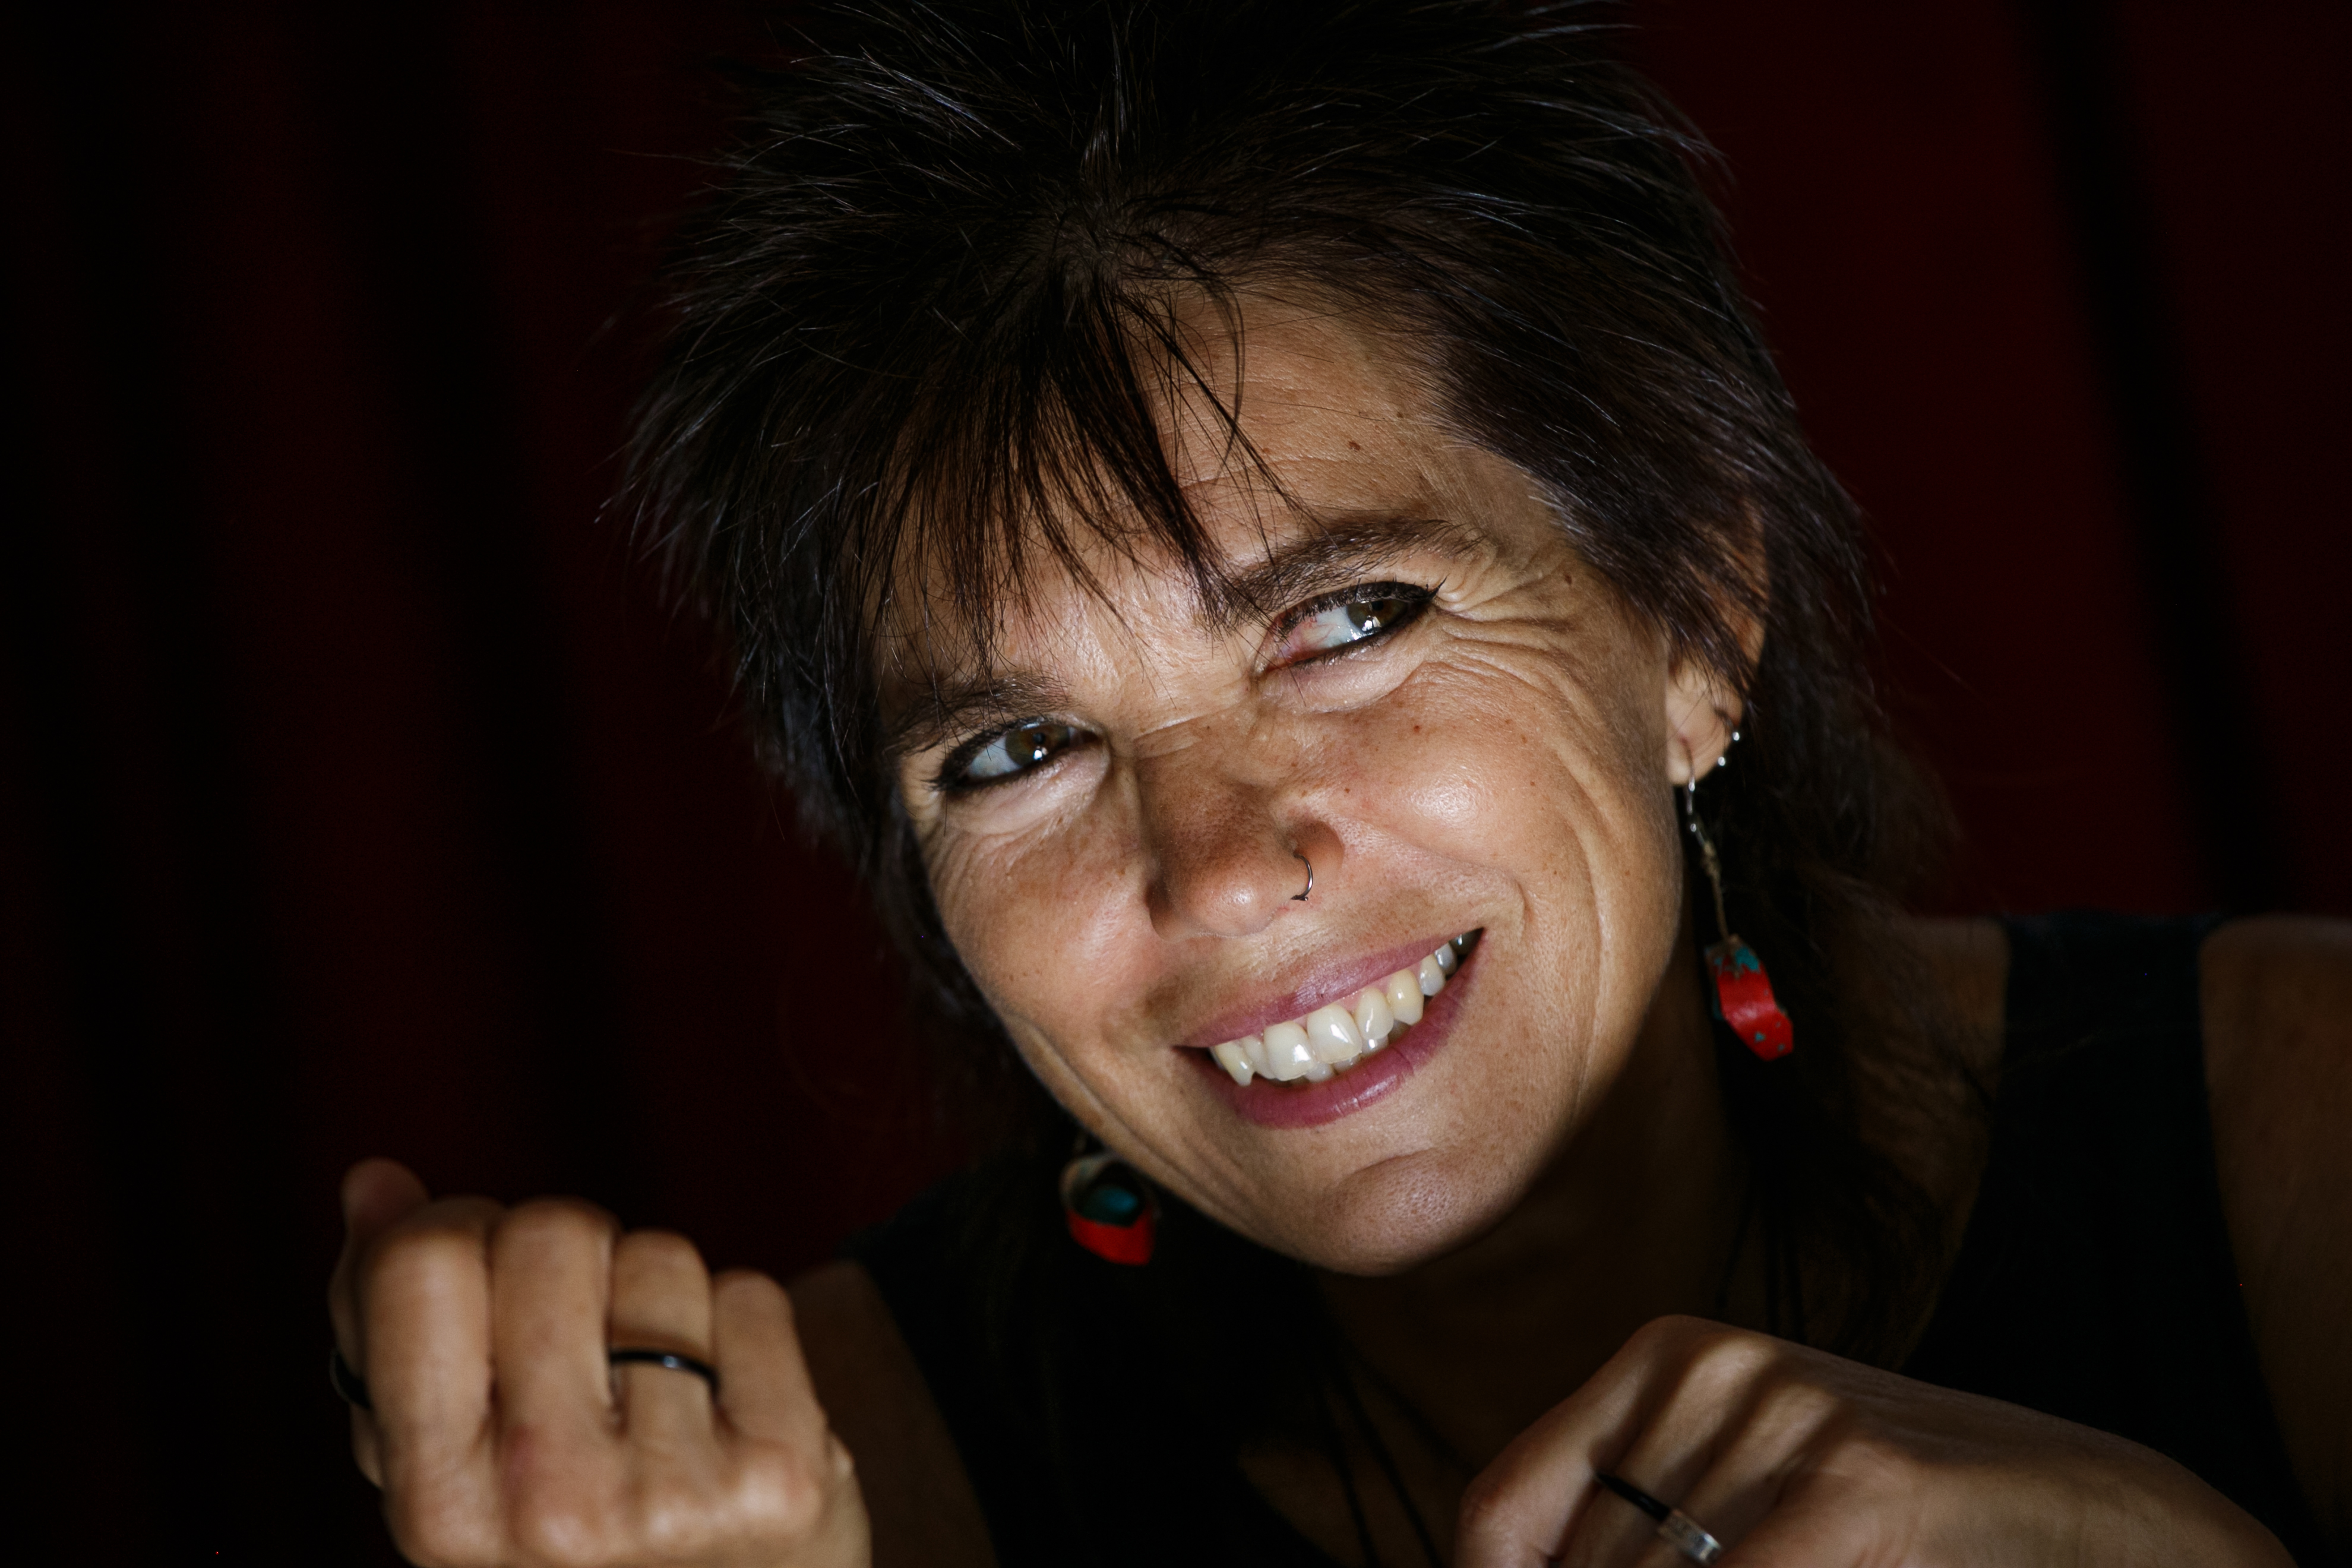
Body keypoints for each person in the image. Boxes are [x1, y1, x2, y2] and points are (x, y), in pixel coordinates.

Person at [323, 3, 2351, 1564]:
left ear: (1691, 621)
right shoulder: (818, 1489)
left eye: (1347, 620)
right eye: (1017, 751)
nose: (1215, 870)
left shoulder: (2297, 1142)